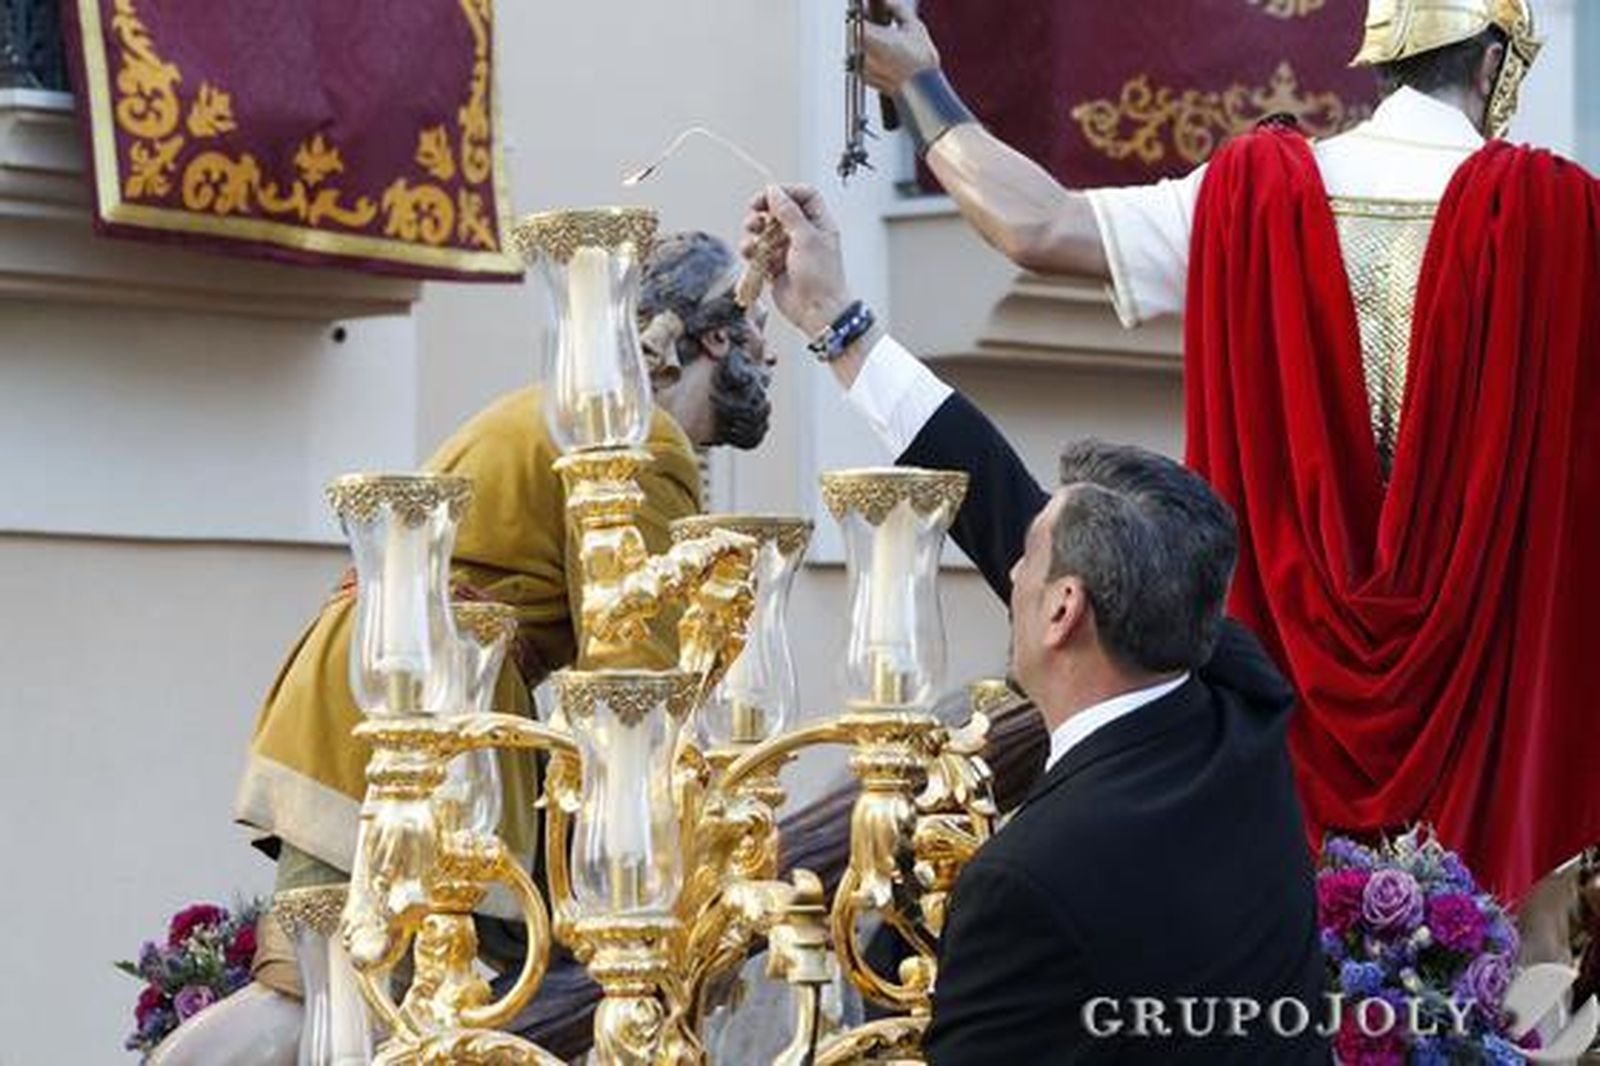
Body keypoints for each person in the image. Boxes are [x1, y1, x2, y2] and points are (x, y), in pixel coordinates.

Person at [855, 0, 1600, 924]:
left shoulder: (1250, 197)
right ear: (1493, 66)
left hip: (1271, 743)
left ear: (1374, 59)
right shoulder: (1567, 220)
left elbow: (1031, 224)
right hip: (1491, 739)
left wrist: (919, 81)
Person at [152, 232, 774, 1065]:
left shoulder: (561, 406)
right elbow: (638, 680)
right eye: (759, 326)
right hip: (435, 702)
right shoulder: (638, 439)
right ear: (716, 338)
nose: (773, 353)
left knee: (336, 985)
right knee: (364, 994)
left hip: (371, 683)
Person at [746, 183, 1327, 1062]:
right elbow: (1002, 503)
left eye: (1030, 559)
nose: (1008, 566)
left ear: (1063, 610)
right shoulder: (1241, 713)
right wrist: (838, 322)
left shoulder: (1024, 882)